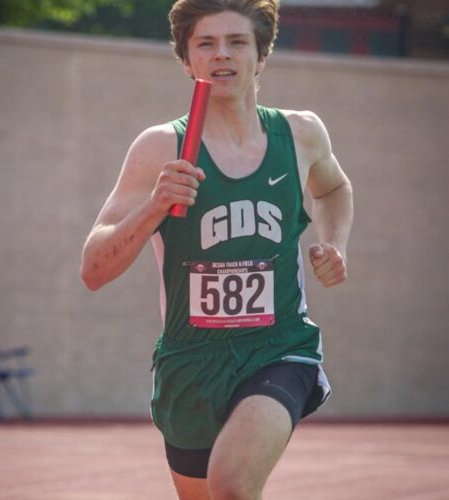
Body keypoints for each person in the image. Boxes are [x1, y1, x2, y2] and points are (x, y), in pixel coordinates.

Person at [80, 1, 353, 498]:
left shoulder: (300, 134)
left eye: (237, 42)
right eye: (206, 43)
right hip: (190, 361)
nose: (221, 55)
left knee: (231, 483)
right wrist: (154, 207)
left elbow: (334, 188)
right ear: (186, 60)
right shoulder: (160, 148)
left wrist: (332, 243)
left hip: (278, 347)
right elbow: (93, 269)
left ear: (261, 55)